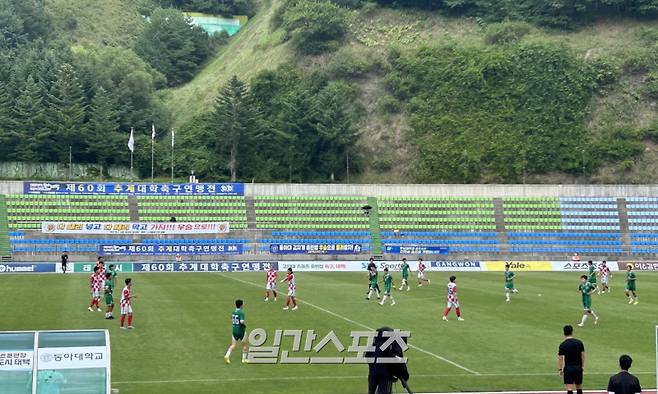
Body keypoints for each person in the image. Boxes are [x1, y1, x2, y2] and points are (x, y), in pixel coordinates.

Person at [367, 326, 410, 394]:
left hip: (373, 373)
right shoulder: (393, 346)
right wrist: (403, 376)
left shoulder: (373, 346)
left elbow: (368, 358)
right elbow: (398, 364)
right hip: (384, 375)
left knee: (371, 391)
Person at [557, 325, 585, 394]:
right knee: (579, 387)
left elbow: (560, 359)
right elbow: (583, 356)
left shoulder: (563, 345)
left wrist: (560, 369)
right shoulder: (579, 343)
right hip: (578, 367)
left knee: (569, 388)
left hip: (568, 368)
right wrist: (582, 366)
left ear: (564, 333)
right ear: (572, 332)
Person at [224, 299, 248, 364]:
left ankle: (227, 355)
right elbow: (241, 321)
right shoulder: (241, 312)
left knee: (233, 345)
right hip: (241, 330)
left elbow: (232, 319)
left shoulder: (233, 312)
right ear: (241, 305)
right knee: (244, 345)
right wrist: (244, 325)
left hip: (234, 330)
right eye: (243, 304)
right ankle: (244, 359)